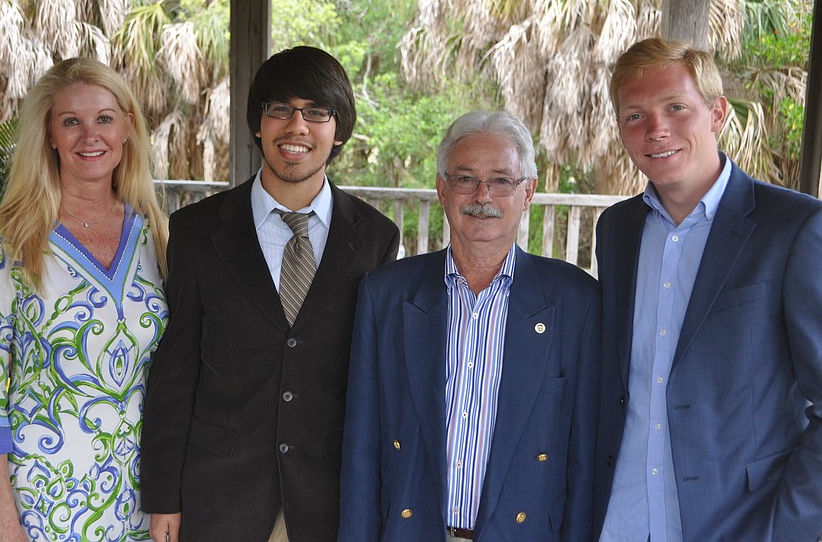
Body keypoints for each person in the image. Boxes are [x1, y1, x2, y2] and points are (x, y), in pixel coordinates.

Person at [139, 46, 400, 542]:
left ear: (338, 129)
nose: (297, 126)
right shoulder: (196, 231)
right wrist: (163, 498)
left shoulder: (374, 237)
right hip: (218, 498)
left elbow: (376, 383)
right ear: (257, 123)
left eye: (316, 112)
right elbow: (176, 372)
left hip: (329, 500)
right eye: (280, 108)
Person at [593, 36, 822, 542]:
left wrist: (788, 527)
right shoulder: (615, 230)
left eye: (676, 107)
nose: (656, 129)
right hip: (620, 521)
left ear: (716, 114)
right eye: (635, 116)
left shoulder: (793, 226)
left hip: (740, 524)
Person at [338, 110, 600, 541]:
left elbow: (584, 460)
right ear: (442, 190)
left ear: (528, 192)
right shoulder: (385, 295)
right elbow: (361, 449)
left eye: (502, 180)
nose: (483, 195)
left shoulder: (575, 301)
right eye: (465, 178)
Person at [0, 58, 169, 541]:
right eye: (71, 121)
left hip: (144, 504)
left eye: (104, 118)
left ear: (127, 127)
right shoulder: (5, 242)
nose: (90, 136)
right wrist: (2, 518)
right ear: (50, 135)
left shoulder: (159, 236)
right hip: (43, 505)